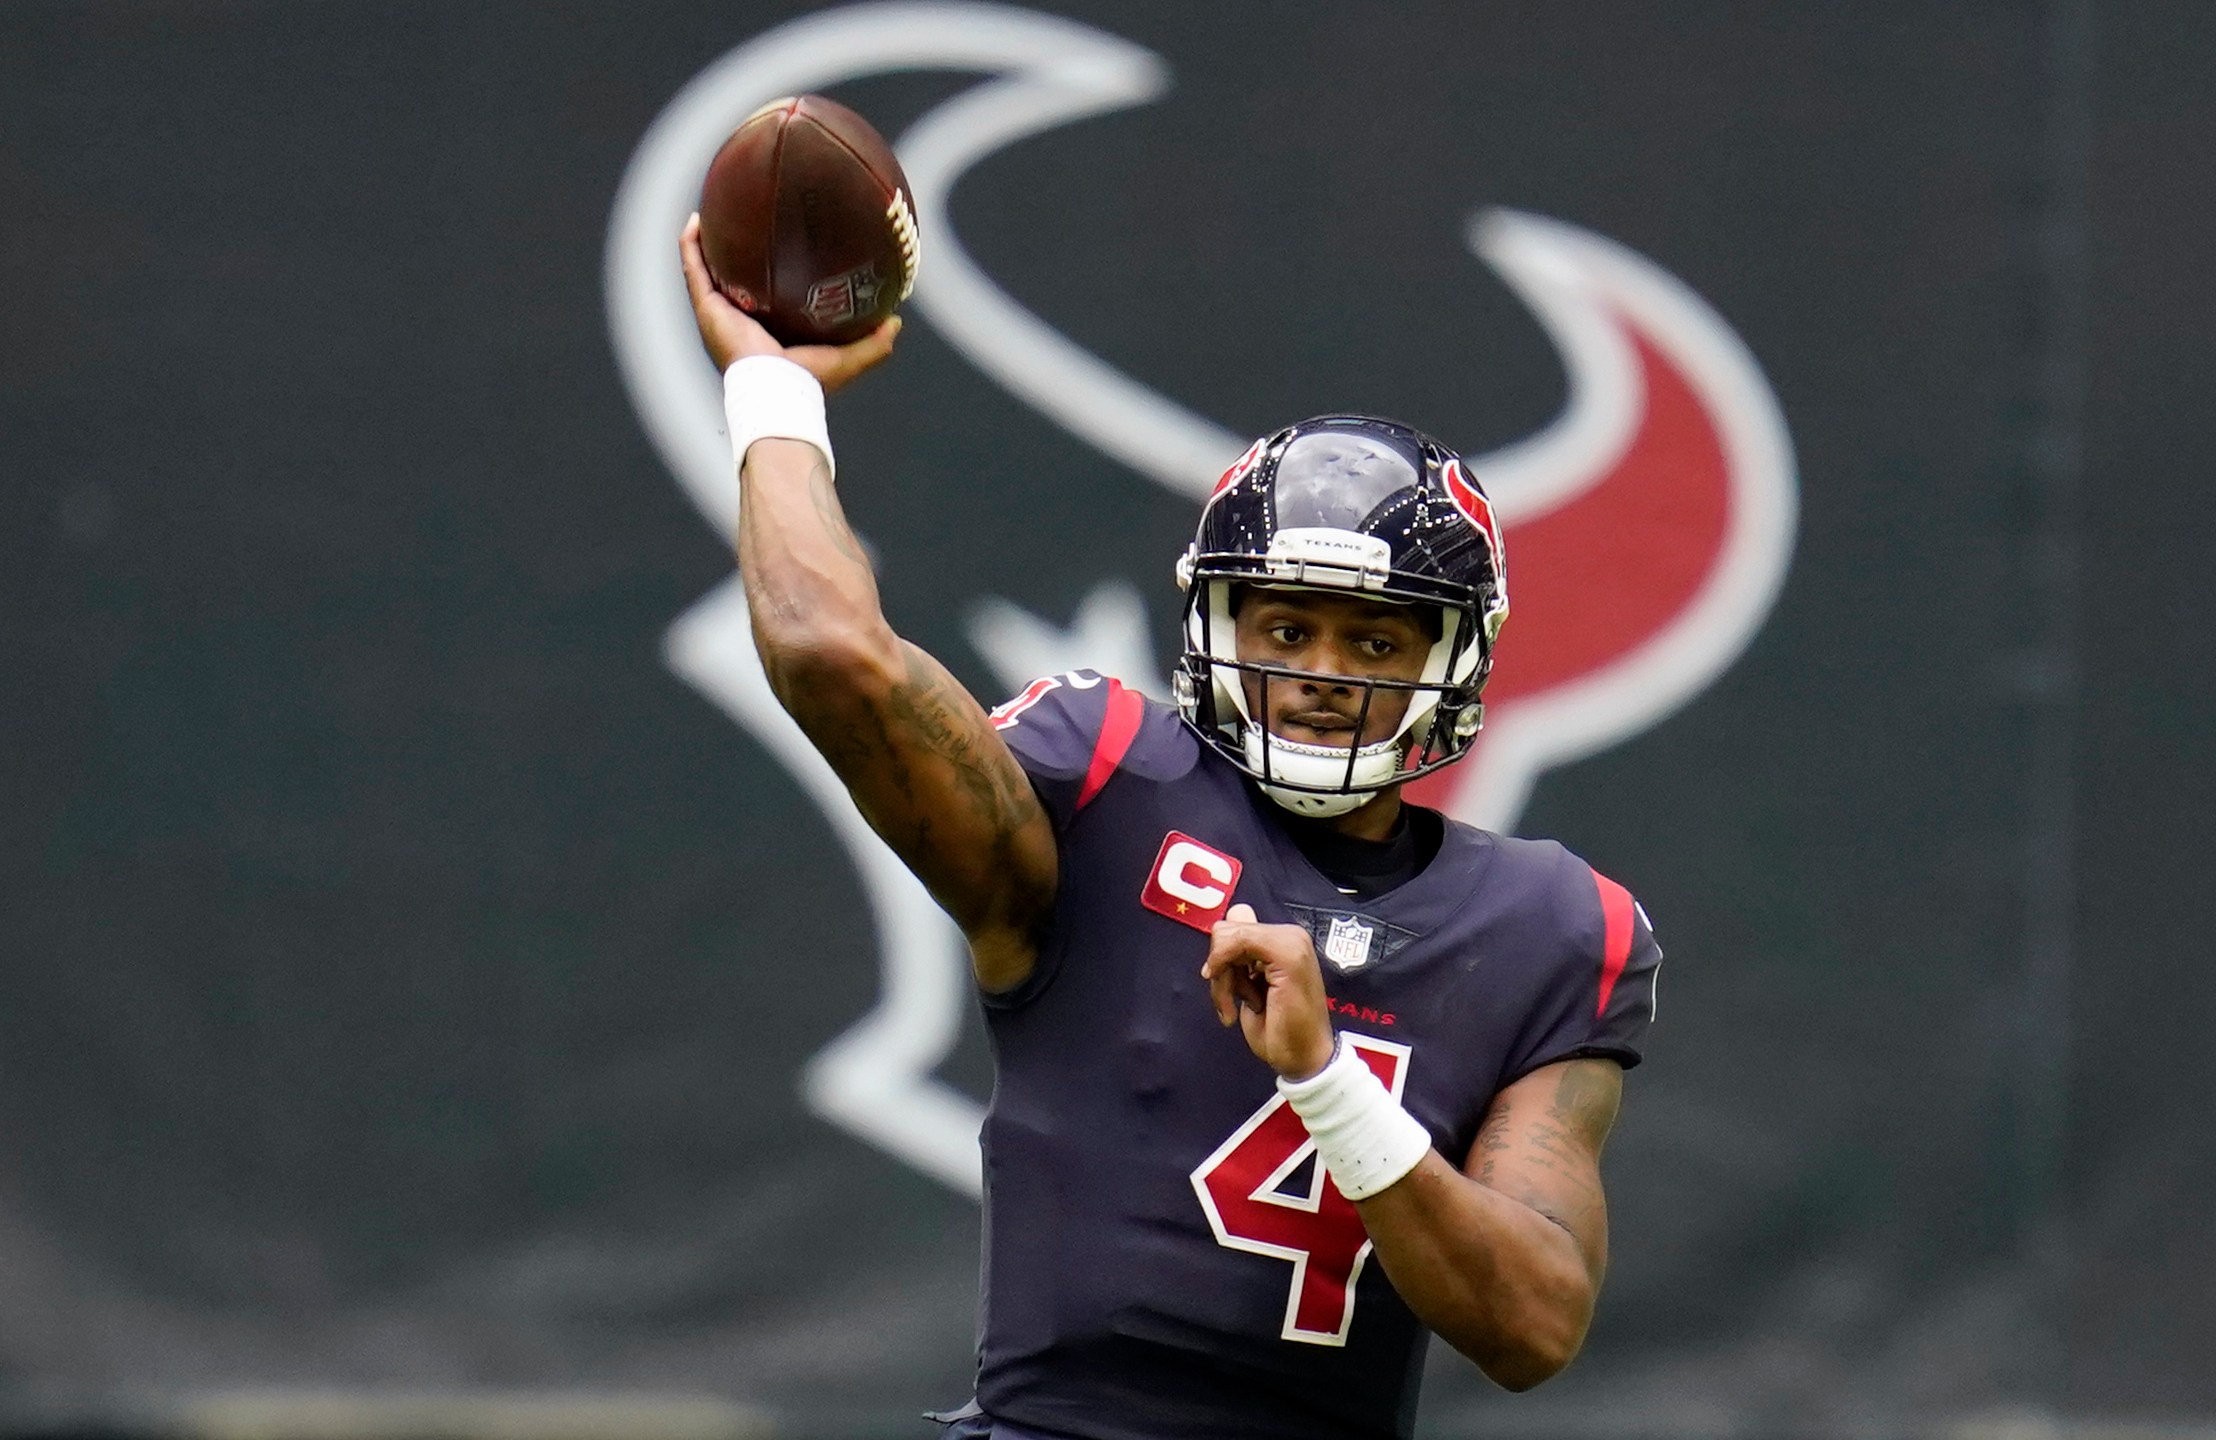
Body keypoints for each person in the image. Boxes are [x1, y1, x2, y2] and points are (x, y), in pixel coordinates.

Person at [678, 216, 1661, 1440]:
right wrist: (773, 390)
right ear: (1218, 629)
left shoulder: (1554, 928)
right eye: (1285, 629)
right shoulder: (1103, 787)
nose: (1318, 674)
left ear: (1451, 662)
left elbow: (1533, 1325)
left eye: (1372, 640)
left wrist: (1323, 1078)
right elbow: (832, 655)